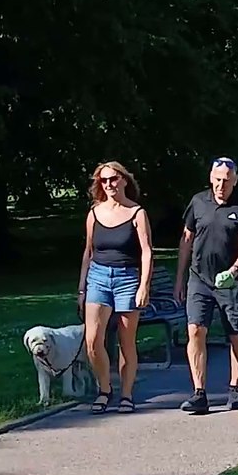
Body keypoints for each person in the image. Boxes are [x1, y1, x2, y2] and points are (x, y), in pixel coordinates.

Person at [174, 156, 238, 414]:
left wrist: (234, 270)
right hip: (199, 279)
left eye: (226, 181)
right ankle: (199, 393)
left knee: (237, 334)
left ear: (235, 180)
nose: (221, 185)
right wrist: (180, 279)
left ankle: (235, 388)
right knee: (196, 331)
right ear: (211, 178)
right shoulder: (199, 202)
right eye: (217, 180)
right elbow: (186, 240)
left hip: (232, 282)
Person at [77, 161, 153, 414]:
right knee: (92, 340)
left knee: (126, 342)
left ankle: (127, 394)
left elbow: (146, 251)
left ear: (124, 180)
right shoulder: (95, 213)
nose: (109, 184)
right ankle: (105, 389)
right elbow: (88, 252)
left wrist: (144, 286)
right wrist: (81, 289)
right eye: (104, 181)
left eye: (113, 179)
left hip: (127, 279)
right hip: (98, 277)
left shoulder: (137, 213)